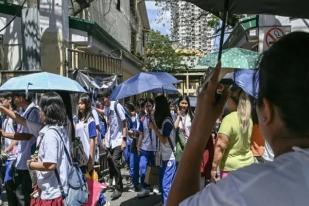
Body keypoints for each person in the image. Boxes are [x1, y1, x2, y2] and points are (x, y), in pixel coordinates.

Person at [168, 32, 309, 206]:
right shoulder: (247, 120)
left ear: (267, 110)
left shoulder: (239, 191)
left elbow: (220, 145)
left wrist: (199, 129)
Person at [23, 92, 70, 205]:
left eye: (41, 109)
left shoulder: (50, 134)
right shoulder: (60, 129)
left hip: (52, 192)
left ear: (48, 111)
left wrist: (30, 164)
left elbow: (50, 165)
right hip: (57, 188)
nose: (39, 113)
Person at [0, 92, 40, 206]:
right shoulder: (25, 111)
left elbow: (27, 136)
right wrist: (4, 134)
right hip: (21, 160)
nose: (13, 99)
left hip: (28, 161)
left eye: (15, 96)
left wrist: (5, 134)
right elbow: (20, 133)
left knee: (24, 196)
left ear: (22, 97)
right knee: (18, 194)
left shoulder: (34, 111)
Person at [211, 87, 254, 181]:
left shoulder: (229, 119)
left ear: (232, 100)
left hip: (231, 170)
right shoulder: (248, 119)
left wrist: (213, 168)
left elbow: (220, 146)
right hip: (248, 165)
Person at [99, 93, 127, 200]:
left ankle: (119, 188)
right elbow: (103, 113)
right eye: (101, 99)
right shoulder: (106, 108)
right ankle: (113, 181)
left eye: (103, 98)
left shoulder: (116, 106)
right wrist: (94, 108)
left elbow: (124, 122)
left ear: (108, 97)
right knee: (110, 161)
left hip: (118, 140)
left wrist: (124, 140)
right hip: (110, 141)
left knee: (115, 162)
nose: (102, 101)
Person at [150, 95, 177, 205]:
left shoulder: (167, 122)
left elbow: (164, 140)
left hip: (170, 157)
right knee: (162, 183)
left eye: (156, 107)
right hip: (164, 157)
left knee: (166, 185)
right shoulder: (164, 120)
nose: (155, 109)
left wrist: (154, 129)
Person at [137, 98, 158, 198]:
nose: (148, 108)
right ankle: (144, 188)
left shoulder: (157, 117)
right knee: (142, 167)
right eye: (147, 106)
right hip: (145, 147)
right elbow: (141, 133)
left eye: (150, 105)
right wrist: (138, 144)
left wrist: (153, 120)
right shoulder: (143, 119)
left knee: (153, 168)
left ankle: (154, 185)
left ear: (153, 106)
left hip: (155, 148)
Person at [0, 94, 18, 205]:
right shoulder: (5, 118)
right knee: (8, 186)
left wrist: (6, 150)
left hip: (14, 157)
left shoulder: (15, 117)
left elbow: (18, 137)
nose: (0, 104)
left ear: (9, 100)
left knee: (10, 184)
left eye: (1, 101)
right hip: (7, 156)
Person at [74, 94, 97, 173]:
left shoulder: (90, 121)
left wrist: (90, 160)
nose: (79, 106)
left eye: (82, 103)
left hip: (86, 156)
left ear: (87, 104)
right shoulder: (76, 120)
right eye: (78, 103)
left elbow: (92, 140)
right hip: (77, 155)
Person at [124, 103, 140, 192]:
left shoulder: (137, 118)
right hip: (127, 143)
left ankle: (135, 184)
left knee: (134, 164)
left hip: (134, 143)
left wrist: (132, 131)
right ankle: (132, 178)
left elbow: (138, 131)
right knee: (128, 160)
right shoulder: (126, 119)